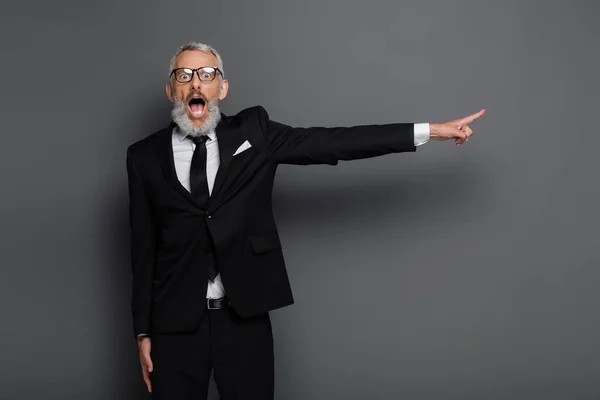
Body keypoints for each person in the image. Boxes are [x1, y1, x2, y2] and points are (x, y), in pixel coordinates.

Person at [126, 42, 485, 400]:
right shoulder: (143, 156)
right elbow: (143, 250)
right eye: (184, 75)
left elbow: (332, 143)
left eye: (206, 75)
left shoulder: (255, 131)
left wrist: (430, 131)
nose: (195, 84)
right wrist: (143, 332)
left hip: (243, 318)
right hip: (174, 325)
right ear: (171, 89)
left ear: (221, 88)